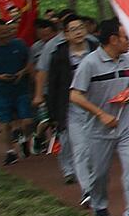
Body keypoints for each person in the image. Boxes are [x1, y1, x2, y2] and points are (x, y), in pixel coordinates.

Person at [69, 18, 129, 216]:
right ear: (113, 40)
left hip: (126, 126)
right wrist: (100, 114)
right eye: (125, 38)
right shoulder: (89, 63)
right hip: (98, 130)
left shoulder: (128, 61)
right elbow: (75, 95)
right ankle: (99, 204)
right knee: (99, 173)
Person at [41, 15, 96, 187]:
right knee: (79, 148)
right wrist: (53, 115)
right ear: (65, 34)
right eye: (73, 29)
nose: (78, 32)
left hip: (96, 107)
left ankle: (94, 182)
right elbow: (54, 86)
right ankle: (87, 191)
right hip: (72, 109)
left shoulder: (96, 49)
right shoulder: (59, 56)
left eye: (81, 27)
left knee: (94, 150)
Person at [0, 19, 33, 164]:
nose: (5, 35)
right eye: (2, 32)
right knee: (6, 123)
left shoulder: (19, 44)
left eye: (8, 31)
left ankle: (24, 139)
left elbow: (29, 62)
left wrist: (22, 73)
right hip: (1, 91)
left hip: (21, 89)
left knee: (27, 120)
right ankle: (10, 151)